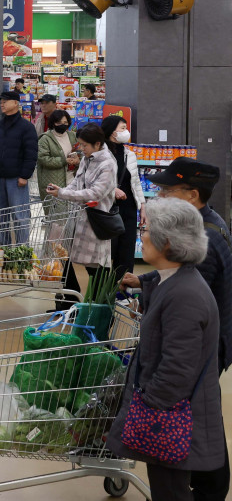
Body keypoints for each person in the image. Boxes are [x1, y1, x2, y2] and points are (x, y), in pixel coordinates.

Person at [122, 158, 232, 500]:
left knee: (195, 415)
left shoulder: (206, 239)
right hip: (203, 339)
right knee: (200, 413)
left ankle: (208, 485)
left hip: (203, 345)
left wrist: (149, 404)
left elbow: (186, 291)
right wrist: (145, 280)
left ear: (192, 195)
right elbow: (179, 272)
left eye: (168, 190)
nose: (161, 195)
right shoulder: (203, 224)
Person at [44, 124, 117, 290]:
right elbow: (77, 182)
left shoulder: (108, 164)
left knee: (96, 268)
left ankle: (100, 310)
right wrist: (61, 190)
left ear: (97, 144)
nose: (81, 149)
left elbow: (95, 193)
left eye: (84, 145)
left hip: (96, 221)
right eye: (80, 144)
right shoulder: (87, 159)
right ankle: (71, 301)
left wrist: (63, 193)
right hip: (79, 218)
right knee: (67, 258)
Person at [0, 91, 38, 246]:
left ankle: (22, 250)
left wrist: (25, 176)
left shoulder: (26, 127)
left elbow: (31, 153)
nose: (2, 103)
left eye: (6, 101)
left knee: (20, 215)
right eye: (1, 101)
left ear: (16, 103)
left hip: (16, 179)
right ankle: (3, 249)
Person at [102, 115, 145, 275]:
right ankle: (104, 292)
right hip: (107, 209)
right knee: (108, 251)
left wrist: (142, 206)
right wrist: (112, 189)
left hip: (128, 209)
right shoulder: (100, 154)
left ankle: (123, 293)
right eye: (122, 128)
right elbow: (91, 180)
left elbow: (135, 183)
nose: (126, 131)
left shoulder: (130, 154)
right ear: (112, 131)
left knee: (126, 252)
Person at [36, 109, 77, 217]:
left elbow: (81, 152)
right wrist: (64, 160)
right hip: (53, 180)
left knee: (72, 215)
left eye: (65, 123)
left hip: (72, 179)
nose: (62, 125)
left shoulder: (73, 136)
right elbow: (43, 158)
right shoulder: (45, 139)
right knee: (56, 218)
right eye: (59, 123)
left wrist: (78, 160)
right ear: (53, 123)